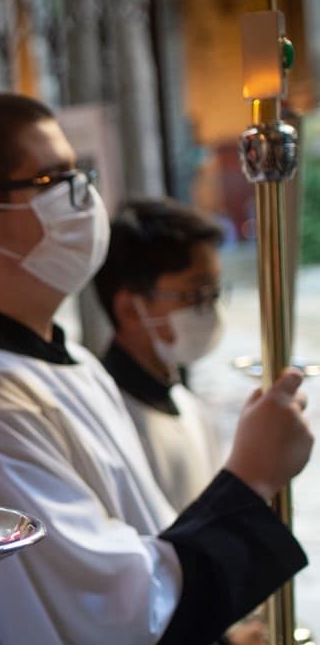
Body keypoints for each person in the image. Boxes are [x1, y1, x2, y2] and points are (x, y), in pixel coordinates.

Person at [0, 93, 311, 645]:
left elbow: (149, 541)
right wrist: (252, 477)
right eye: (54, 180)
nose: (84, 198)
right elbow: (116, 617)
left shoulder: (69, 363)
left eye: (80, 173)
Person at [93, 200, 226, 511]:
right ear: (129, 309)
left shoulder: (186, 402)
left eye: (214, 293)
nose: (210, 310)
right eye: (195, 295)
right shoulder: (108, 420)